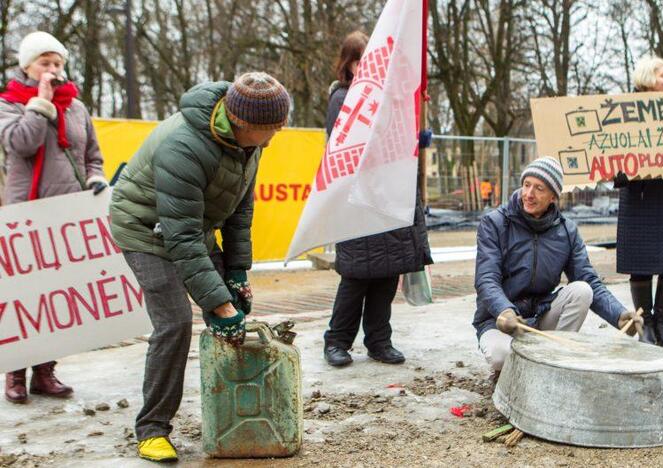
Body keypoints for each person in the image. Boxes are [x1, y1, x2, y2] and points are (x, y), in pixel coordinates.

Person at [109, 72, 291, 462]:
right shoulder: (183, 146)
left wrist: (238, 273)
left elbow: (240, 210)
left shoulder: (249, 142)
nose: (273, 137)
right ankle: (152, 429)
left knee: (233, 310)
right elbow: (182, 239)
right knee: (175, 322)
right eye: (268, 129)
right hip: (145, 229)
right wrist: (219, 304)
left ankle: (232, 415)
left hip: (191, 226)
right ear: (242, 122)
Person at [0, 31, 107, 404]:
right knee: (25, 296)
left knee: (55, 294)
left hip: (67, 212)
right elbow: (20, 144)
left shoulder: (76, 107)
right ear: (27, 67)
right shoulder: (10, 103)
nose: (53, 70)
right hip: (25, 213)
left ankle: (45, 372)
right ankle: (14, 373)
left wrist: (94, 178)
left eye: (58, 63)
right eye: (45, 63)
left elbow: (91, 154)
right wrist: (40, 104)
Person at [323, 31, 433, 367]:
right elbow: (355, 145)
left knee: (387, 275)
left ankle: (379, 341)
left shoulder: (392, 98)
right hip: (360, 202)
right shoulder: (342, 98)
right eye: (360, 61)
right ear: (350, 64)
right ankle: (337, 341)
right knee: (357, 277)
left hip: (391, 199)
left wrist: (416, 137)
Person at [474, 157, 642, 373]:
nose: (529, 194)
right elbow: (486, 279)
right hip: (499, 321)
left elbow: (588, 279)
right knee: (501, 357)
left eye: (539, 188)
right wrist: (503, 311)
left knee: (582, 290)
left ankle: (555, 364)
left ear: (553, 196)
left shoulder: (566, 231)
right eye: (526, 185)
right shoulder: (495, 223)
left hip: (540, 315)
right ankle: (518, 370)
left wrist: (619, 315)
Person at [615, 56, 663, 349]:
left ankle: (662, 322)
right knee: (642, 262)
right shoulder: (627, 111)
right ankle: (645, 322)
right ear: (648, 78)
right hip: (641, 194)